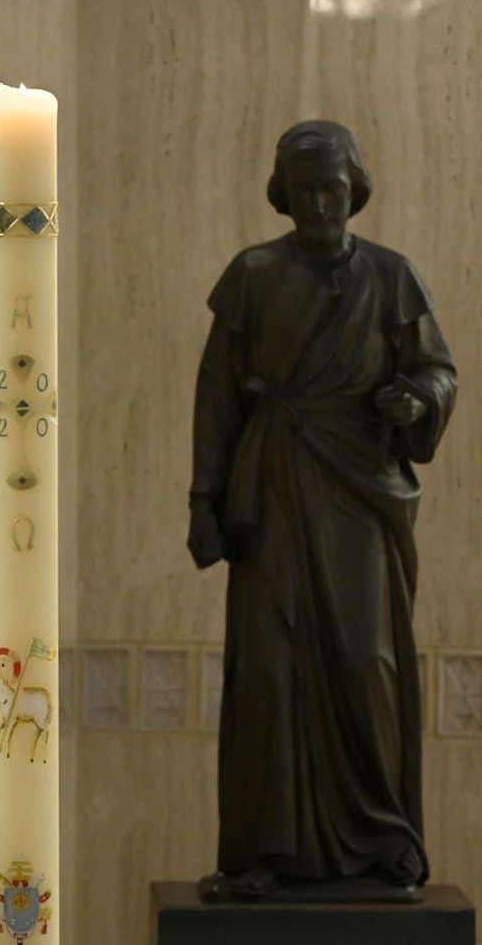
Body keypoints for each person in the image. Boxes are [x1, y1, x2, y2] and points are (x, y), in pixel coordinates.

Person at [188, 121, 456, 895]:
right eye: (302, 189)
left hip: (361, 493)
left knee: (364, 660)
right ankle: (263, 850)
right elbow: (215, 400)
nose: (317, 203)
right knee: (270, 668)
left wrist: (417, 399)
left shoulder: (392, 277)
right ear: (283, 193)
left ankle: (382, 839)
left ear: (354, 189)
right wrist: (204, 498)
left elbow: (436, 371)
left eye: (331, 187)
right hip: (271, 490)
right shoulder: (252, 275)